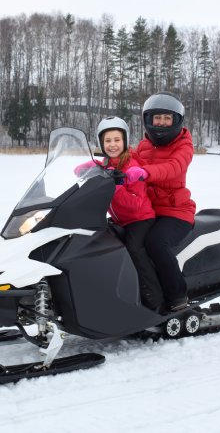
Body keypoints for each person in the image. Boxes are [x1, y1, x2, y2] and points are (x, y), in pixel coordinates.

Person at [74, 116, 164, 311]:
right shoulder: (106, 165)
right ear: (101, 143)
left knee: (134, 249)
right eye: (107, 140)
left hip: (140, 219)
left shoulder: (131, 165)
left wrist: (116, 188)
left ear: (124, 141)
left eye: (117, 140)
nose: (112, 144)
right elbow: (93, 177)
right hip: (119, 220)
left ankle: (154, 299)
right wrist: (89, 170)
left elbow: (135, 204)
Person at [134, 92, 196, 311]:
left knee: (155, 242)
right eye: (156, 118)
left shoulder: (184, 146)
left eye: (166, 118)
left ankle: (177, 296)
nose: (160, 123)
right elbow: (126, 159)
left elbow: (174, 168)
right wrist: (107, 162)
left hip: (176, 213)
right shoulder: (143, 146)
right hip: (147, 210)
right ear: (148, 119)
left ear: (176, 121)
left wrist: (143, 172)